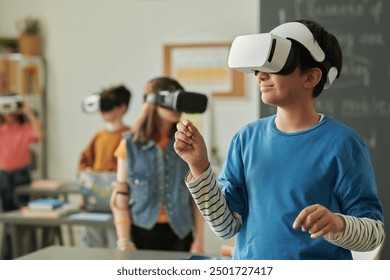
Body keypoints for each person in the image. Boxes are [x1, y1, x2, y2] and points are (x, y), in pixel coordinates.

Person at [174, 19, 385, 259]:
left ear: (311, 78)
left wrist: (338, 224)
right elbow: (225, 226)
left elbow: (374, 234)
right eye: (260, 66)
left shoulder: (344, 144)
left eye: (277, 65)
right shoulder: (246, 139)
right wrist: (199, 166)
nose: (261, 75)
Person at [110, 77, 205, 253]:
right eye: (169, 100)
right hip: (141, 233)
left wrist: (199, 242)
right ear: (152, 102)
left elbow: (197, 198)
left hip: (180, 233)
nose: (175, 108)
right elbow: (120, 197)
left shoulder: (187, 144)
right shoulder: (129, 145)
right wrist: (123, 240)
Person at [78, 84, 131, 248]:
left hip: (119, 198)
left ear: (122, 108)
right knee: (93, 244)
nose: (104, 111)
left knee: (117, 242)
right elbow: (84, 160)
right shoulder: (99, 136)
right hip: (96, 198)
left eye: (108, 107)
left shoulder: (129, 136)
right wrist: (87, 174)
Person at [0, 93, 45, 258]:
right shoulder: (2, 129)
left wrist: (26, 110)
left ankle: (29, 254)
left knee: (26, 217)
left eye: (12, 107)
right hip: (3, 176)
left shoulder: (25, 128)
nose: (9, 112)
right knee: (7, 218)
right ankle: (7, 258)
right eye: (6, 107)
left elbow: (39, 135)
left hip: (21, 176)